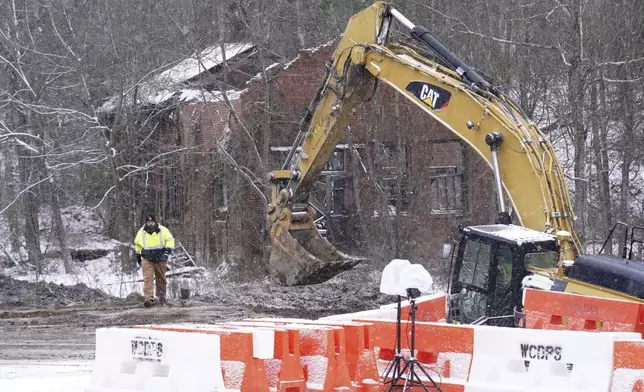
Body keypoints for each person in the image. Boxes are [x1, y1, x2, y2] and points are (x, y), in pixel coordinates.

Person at [134, 214, 175, 307]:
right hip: (147, 258)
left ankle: (161, 296)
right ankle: (149, 299)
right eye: (148, 222)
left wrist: (167, 252)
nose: (150, 224)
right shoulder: (141, 232)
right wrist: (138, 254)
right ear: (146, 223)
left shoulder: (163, 230)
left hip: (160, 257)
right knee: (148, 278)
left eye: (152, 222)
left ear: (155, 222)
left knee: (161, 277)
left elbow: (170, 240)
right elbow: (137, 244)